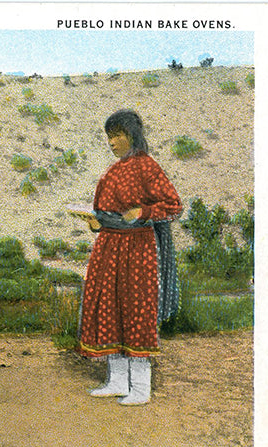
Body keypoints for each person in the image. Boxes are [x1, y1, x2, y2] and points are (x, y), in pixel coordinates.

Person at [77, 109, 182, 406]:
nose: (112, 142)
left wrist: (144, 212)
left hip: (138, 249)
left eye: (118, 136)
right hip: (108, 248)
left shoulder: (147, 167)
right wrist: (96, 223)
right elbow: (104, 212)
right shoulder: (111, 171)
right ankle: (116, 381)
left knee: (136, 312)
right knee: (108, 309)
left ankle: (140, 388)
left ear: (131, 136)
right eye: (109, 137)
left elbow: (173, 205)